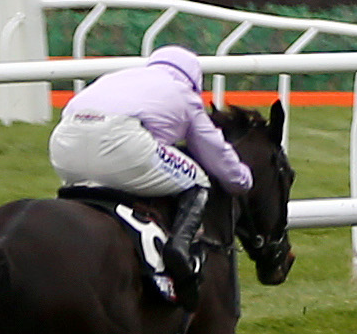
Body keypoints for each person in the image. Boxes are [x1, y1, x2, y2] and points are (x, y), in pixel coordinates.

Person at [47, 43, 253, 280]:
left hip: (63, 143)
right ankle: (180, 250)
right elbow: (213, 150)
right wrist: (242, 180)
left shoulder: (119, 77)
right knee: (198, 181)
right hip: (120, 141)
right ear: (195, 81)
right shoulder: (184, 93)